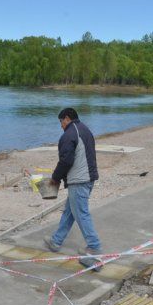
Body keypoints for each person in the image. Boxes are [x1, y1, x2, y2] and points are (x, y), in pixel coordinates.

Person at [43, 108, 103, 271]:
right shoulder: (85, 129)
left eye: (61, 122)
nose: (61, 126)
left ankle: (94, 250)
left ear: (67, 119)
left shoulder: (69, 134)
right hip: (88, 178)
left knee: (81, 214)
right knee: (70, 212)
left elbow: (66, 160)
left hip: (79, 180)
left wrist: (55, 178)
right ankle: (56, 241)